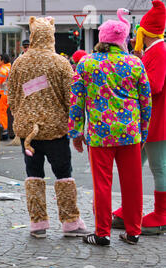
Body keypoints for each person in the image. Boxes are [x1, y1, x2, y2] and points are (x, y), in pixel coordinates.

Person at [68, 18, 152, 246]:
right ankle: (134, 231)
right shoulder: (135, 64)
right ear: (122, 40)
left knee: (102, 184)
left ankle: (102, 232)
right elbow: (146, 101)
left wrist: (75, 132)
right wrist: (143, 132)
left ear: (101, 39)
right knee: (133, 183)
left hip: (99, 133)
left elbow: (76, 100)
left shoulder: (86, 64)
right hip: (129, 132)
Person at [7, 16, 89, 239]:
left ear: (33, 36)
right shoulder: (60, 63)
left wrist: (21, 116)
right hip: (55, 130)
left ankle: (38, 222)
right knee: (63, 174)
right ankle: (71, 221)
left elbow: (12, 96)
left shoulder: (20, 63)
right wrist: (74, 127)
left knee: (33, 175)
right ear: (50, 36)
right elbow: (71, 98)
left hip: (28, 134)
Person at [112, 0, 166, 235]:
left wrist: (130, 80)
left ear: (144, 31)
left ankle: (162, 214)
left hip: (157, 119)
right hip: (148, 119)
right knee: (135, 165)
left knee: (158, 166)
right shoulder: (155, 51)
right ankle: (131, 209)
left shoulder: (159, 51)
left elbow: (154, 85)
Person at [0, 53, 12, 141]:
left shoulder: (2, 70)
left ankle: (4, 131)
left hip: (3, 94)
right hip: (9, 94)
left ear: (2, 60)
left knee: (2, 112)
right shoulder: (10, 67)